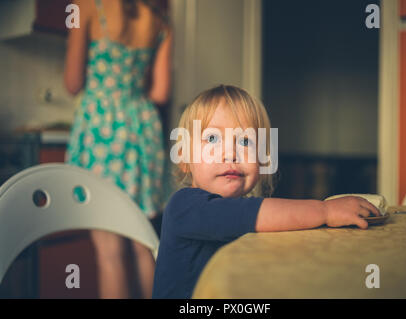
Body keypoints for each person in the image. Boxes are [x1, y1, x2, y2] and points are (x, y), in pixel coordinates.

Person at [152, 85, 381, 299]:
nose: (231, 153)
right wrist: (325, 210)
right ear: (184, 158)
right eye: (212, 138)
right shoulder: (185, 206)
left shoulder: (248, 206)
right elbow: (256, 214)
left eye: (245, 141)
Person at [64, 0, 172, 298]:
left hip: (102, 131)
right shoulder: (160, 20)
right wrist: (132, 94)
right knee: (143, 244)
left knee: (109, 252)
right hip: (142, 130)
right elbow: (160, 93)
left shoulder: (84, 6)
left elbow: (72, 82)